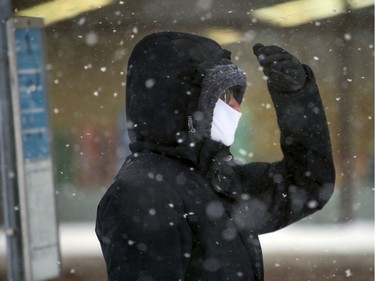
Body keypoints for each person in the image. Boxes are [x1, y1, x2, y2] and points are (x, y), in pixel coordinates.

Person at [95, 32, 335, 281]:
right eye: (223, 96)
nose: (236, 108)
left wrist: (296, 98)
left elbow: (307, 185)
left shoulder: (216, 179)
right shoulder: (143, 195)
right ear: (183, 105)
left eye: (236, 96)